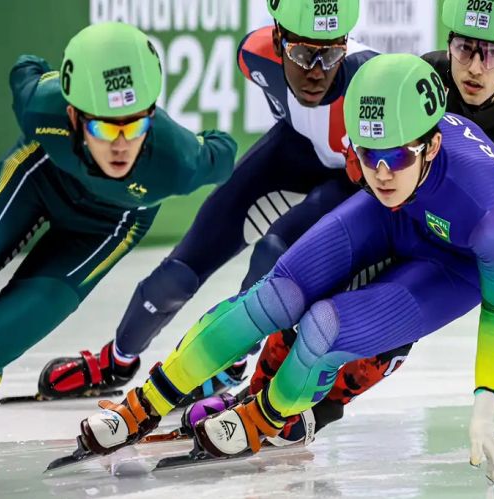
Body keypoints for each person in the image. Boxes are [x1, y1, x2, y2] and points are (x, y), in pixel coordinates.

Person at [77, 53, 494, 487]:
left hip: (455, 264)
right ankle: (141, 405)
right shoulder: (391, 169)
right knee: (274, 297)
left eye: (395, 158)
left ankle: (263, 418)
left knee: (323, 327)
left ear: (431, 145)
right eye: (369, 156)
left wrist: (484, 408)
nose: (382, 172)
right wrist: (389, 165)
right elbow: (386, 175)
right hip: (397, 215)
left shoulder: (491, 213)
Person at [194, 0, 494, 456]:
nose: (473, 67)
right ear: (448, 43)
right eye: (463, 48)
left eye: (491, 53)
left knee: (380, 331)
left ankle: (317, 411)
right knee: (310, 288)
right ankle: (255, 395)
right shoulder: (420, 78)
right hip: (403, 215)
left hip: (466, 253)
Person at [38, 0, 378, 400]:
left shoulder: (369, 82)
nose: (317, 73)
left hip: (349, 180)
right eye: (303, 54)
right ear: (278, 37)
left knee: (272, 256)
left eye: (331, 54)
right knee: (178, 272)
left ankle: (229, 363)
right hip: (294, 151)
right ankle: (118, 360)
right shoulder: (253, 56)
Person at [0, 22, 236, 392]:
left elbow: (224, 150)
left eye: (136, 125)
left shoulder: (177, 162)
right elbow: (26, 67)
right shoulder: (43, 109)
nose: (121, 145)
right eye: (105, 129)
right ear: (74, 116)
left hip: (106, 225)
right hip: (39, 177)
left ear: (152, 115)